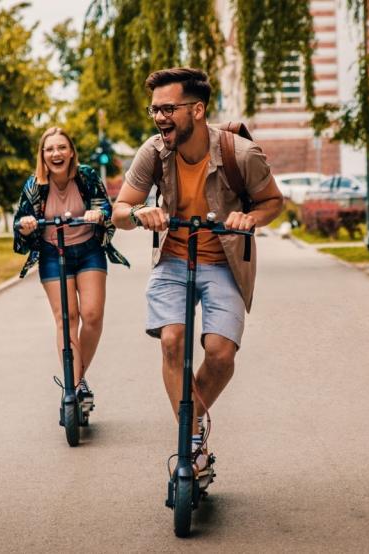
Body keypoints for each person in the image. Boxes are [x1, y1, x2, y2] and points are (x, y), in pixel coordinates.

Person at [112, 68, 283, 473]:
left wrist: (249, 218)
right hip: (173, 258)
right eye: (155, 109)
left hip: (223, 261)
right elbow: (118, 211)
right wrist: (139, 213)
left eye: (168, 108)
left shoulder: (241, 154)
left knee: (221, 355)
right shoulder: (153, 152)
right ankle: (191, 444)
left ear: (198, 109)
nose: (159, 117)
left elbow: (273, 201)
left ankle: (191, 426)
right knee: (172, 340)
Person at [14, 126, 129, 400]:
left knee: (91, 316)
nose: (56, 153)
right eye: (50, 149)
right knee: (67, 319)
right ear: (42, 155)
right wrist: (27, 225)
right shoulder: (34, 186)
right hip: (54, 254)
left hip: (88, 251)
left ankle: (76, 380)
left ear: (71, 152)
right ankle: (74, 388)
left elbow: (107, 209)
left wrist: (97, 213)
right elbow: (20, 222)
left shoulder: (86, 176)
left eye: (61, 147)